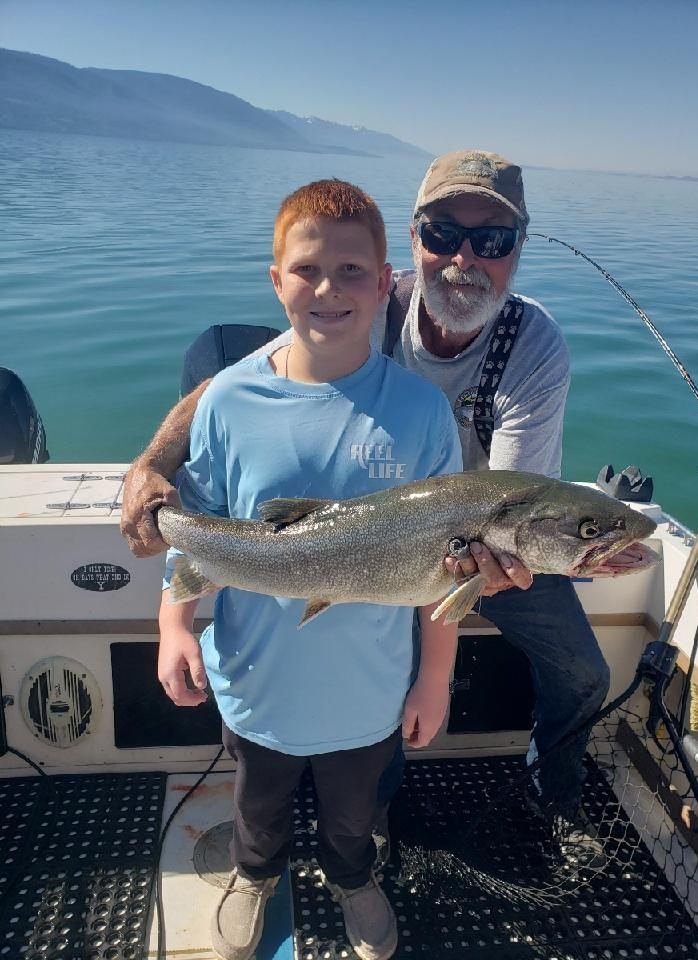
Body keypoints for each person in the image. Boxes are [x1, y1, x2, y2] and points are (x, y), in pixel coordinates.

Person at [123, 150, 610, 848]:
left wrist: (563, 551)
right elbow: (236, 385)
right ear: (413, 242)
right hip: (377, 531)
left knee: (584, 672)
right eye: (444, 233)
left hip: (481, 540)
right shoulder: (368, 296)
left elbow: (515, 503)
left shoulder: (534, 344)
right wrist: (151, 465)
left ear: (518, 249)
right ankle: (370, 823)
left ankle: (553, 793)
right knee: (381, 670)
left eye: (492, 239)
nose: (464, 257)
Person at [157, 179, 462, 960]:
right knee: (257, 808)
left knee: (353, 815)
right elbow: (198, 529)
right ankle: (253, 873)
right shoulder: (228, 400)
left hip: (370, 689)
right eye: (308, 270)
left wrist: (433, 678)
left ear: (386, 281)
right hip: (257, 681)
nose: (330, 289)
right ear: (276, 281)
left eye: (353, 271)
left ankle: (352, 877)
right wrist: (173, 625)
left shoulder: (421, 411)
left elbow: (447, 569)